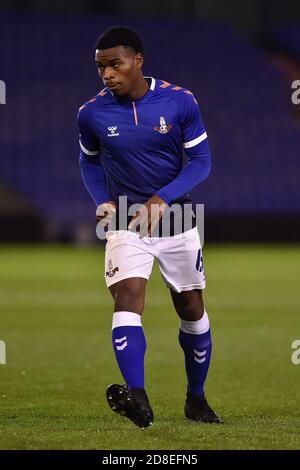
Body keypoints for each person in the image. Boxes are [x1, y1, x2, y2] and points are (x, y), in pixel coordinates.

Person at [78, 26, 222, 428]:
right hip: (125, 220)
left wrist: (162, 199)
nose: (107, 74)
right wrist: (101, 201)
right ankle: (137, 398)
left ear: (138, 60)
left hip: (177, 220)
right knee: (127, 297)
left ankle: (196, 399)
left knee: (191, 307)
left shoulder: (180, 102)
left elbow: (201, 162)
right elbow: (89, 161)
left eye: (115, 64)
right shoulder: (91, 112)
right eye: (100, 66)